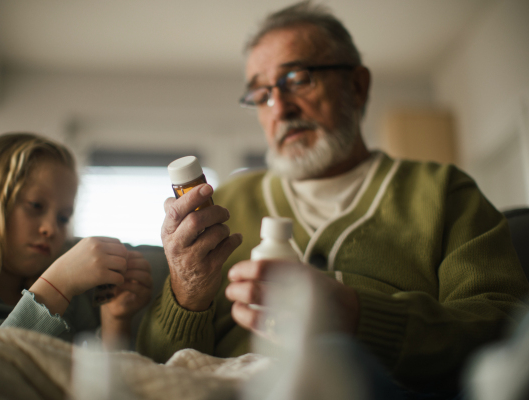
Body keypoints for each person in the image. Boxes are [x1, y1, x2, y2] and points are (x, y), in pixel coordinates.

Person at [137, 1, 529, 395]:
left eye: (297, 78)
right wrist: (186, 295)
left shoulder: (444, 191)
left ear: (357, 85)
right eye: (262, 93)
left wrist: (358, 316)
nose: (281, 108)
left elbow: (503, 333)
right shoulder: (225, 205)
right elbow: (156, 365)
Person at [0, 133, 152, 349]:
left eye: (63, 218)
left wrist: (114, 320)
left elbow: (100, 385)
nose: (52, 229)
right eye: (36, 206)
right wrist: (57, 285)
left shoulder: (73, 301)